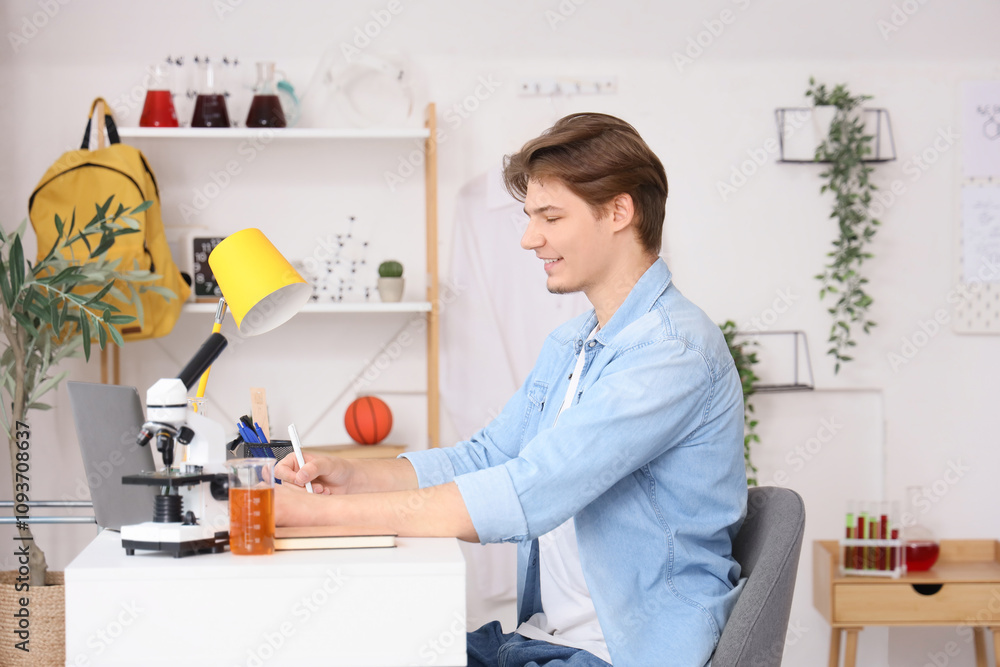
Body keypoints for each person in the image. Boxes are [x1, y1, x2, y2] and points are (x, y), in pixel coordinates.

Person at [275, 112, 747, 666]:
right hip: (546, 638)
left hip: (622, 653)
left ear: (619, 211)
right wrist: (356, 476)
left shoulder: (672, 353)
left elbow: (531, 492)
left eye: (550, 217)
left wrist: (316, 516)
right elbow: (490, 456)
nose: (529, 239)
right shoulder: (573, 342)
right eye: (529, 218)